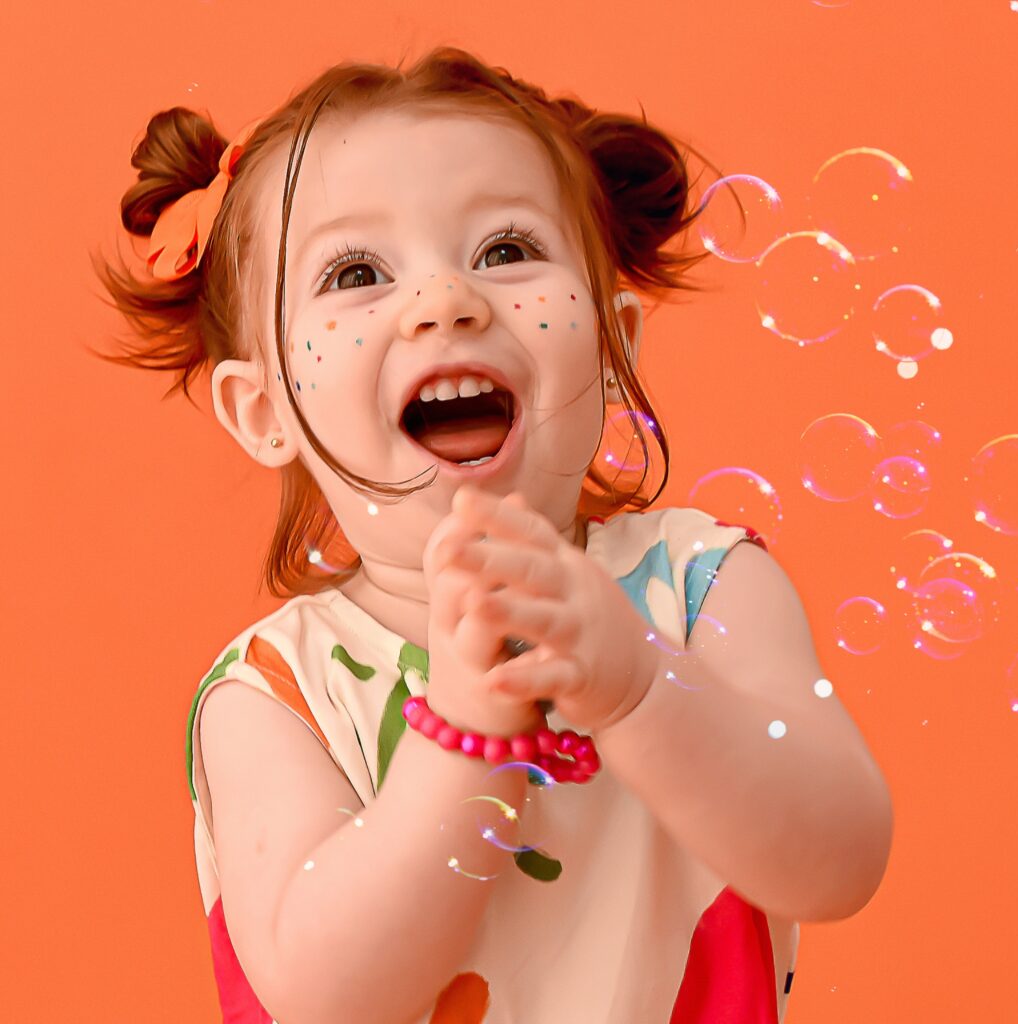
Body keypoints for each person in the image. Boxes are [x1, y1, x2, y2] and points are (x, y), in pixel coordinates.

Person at [94, 46, 893, 1024]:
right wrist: (464, 731)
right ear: (263, 409)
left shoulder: (700, 588)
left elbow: (839, 858)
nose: (446, 302)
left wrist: (639, 687)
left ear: (611, 347)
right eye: (357, 271)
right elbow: (325, 996)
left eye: (505, 251)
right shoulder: (274, 695)